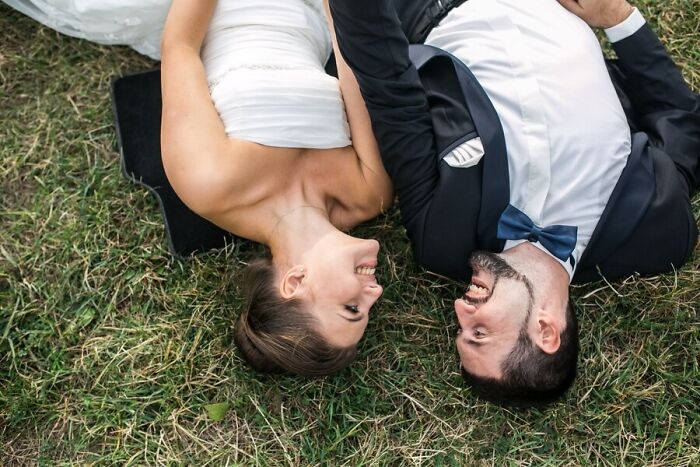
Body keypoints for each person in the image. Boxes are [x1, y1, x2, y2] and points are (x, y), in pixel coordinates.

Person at [329, 0, 700, 404]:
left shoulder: (442, 242)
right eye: (480, 333)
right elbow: (679, 118)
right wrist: (617, 17)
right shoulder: (660, 236)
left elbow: (391, 93)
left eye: (460, 330)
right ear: (546, 330)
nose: (459, 309)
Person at [6, 0, 395, 376]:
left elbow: (181, 48)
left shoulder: (211, 184)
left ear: (295, 281)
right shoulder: (370, 192)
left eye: (352, 307)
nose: (374, 294)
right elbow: (350, 65)